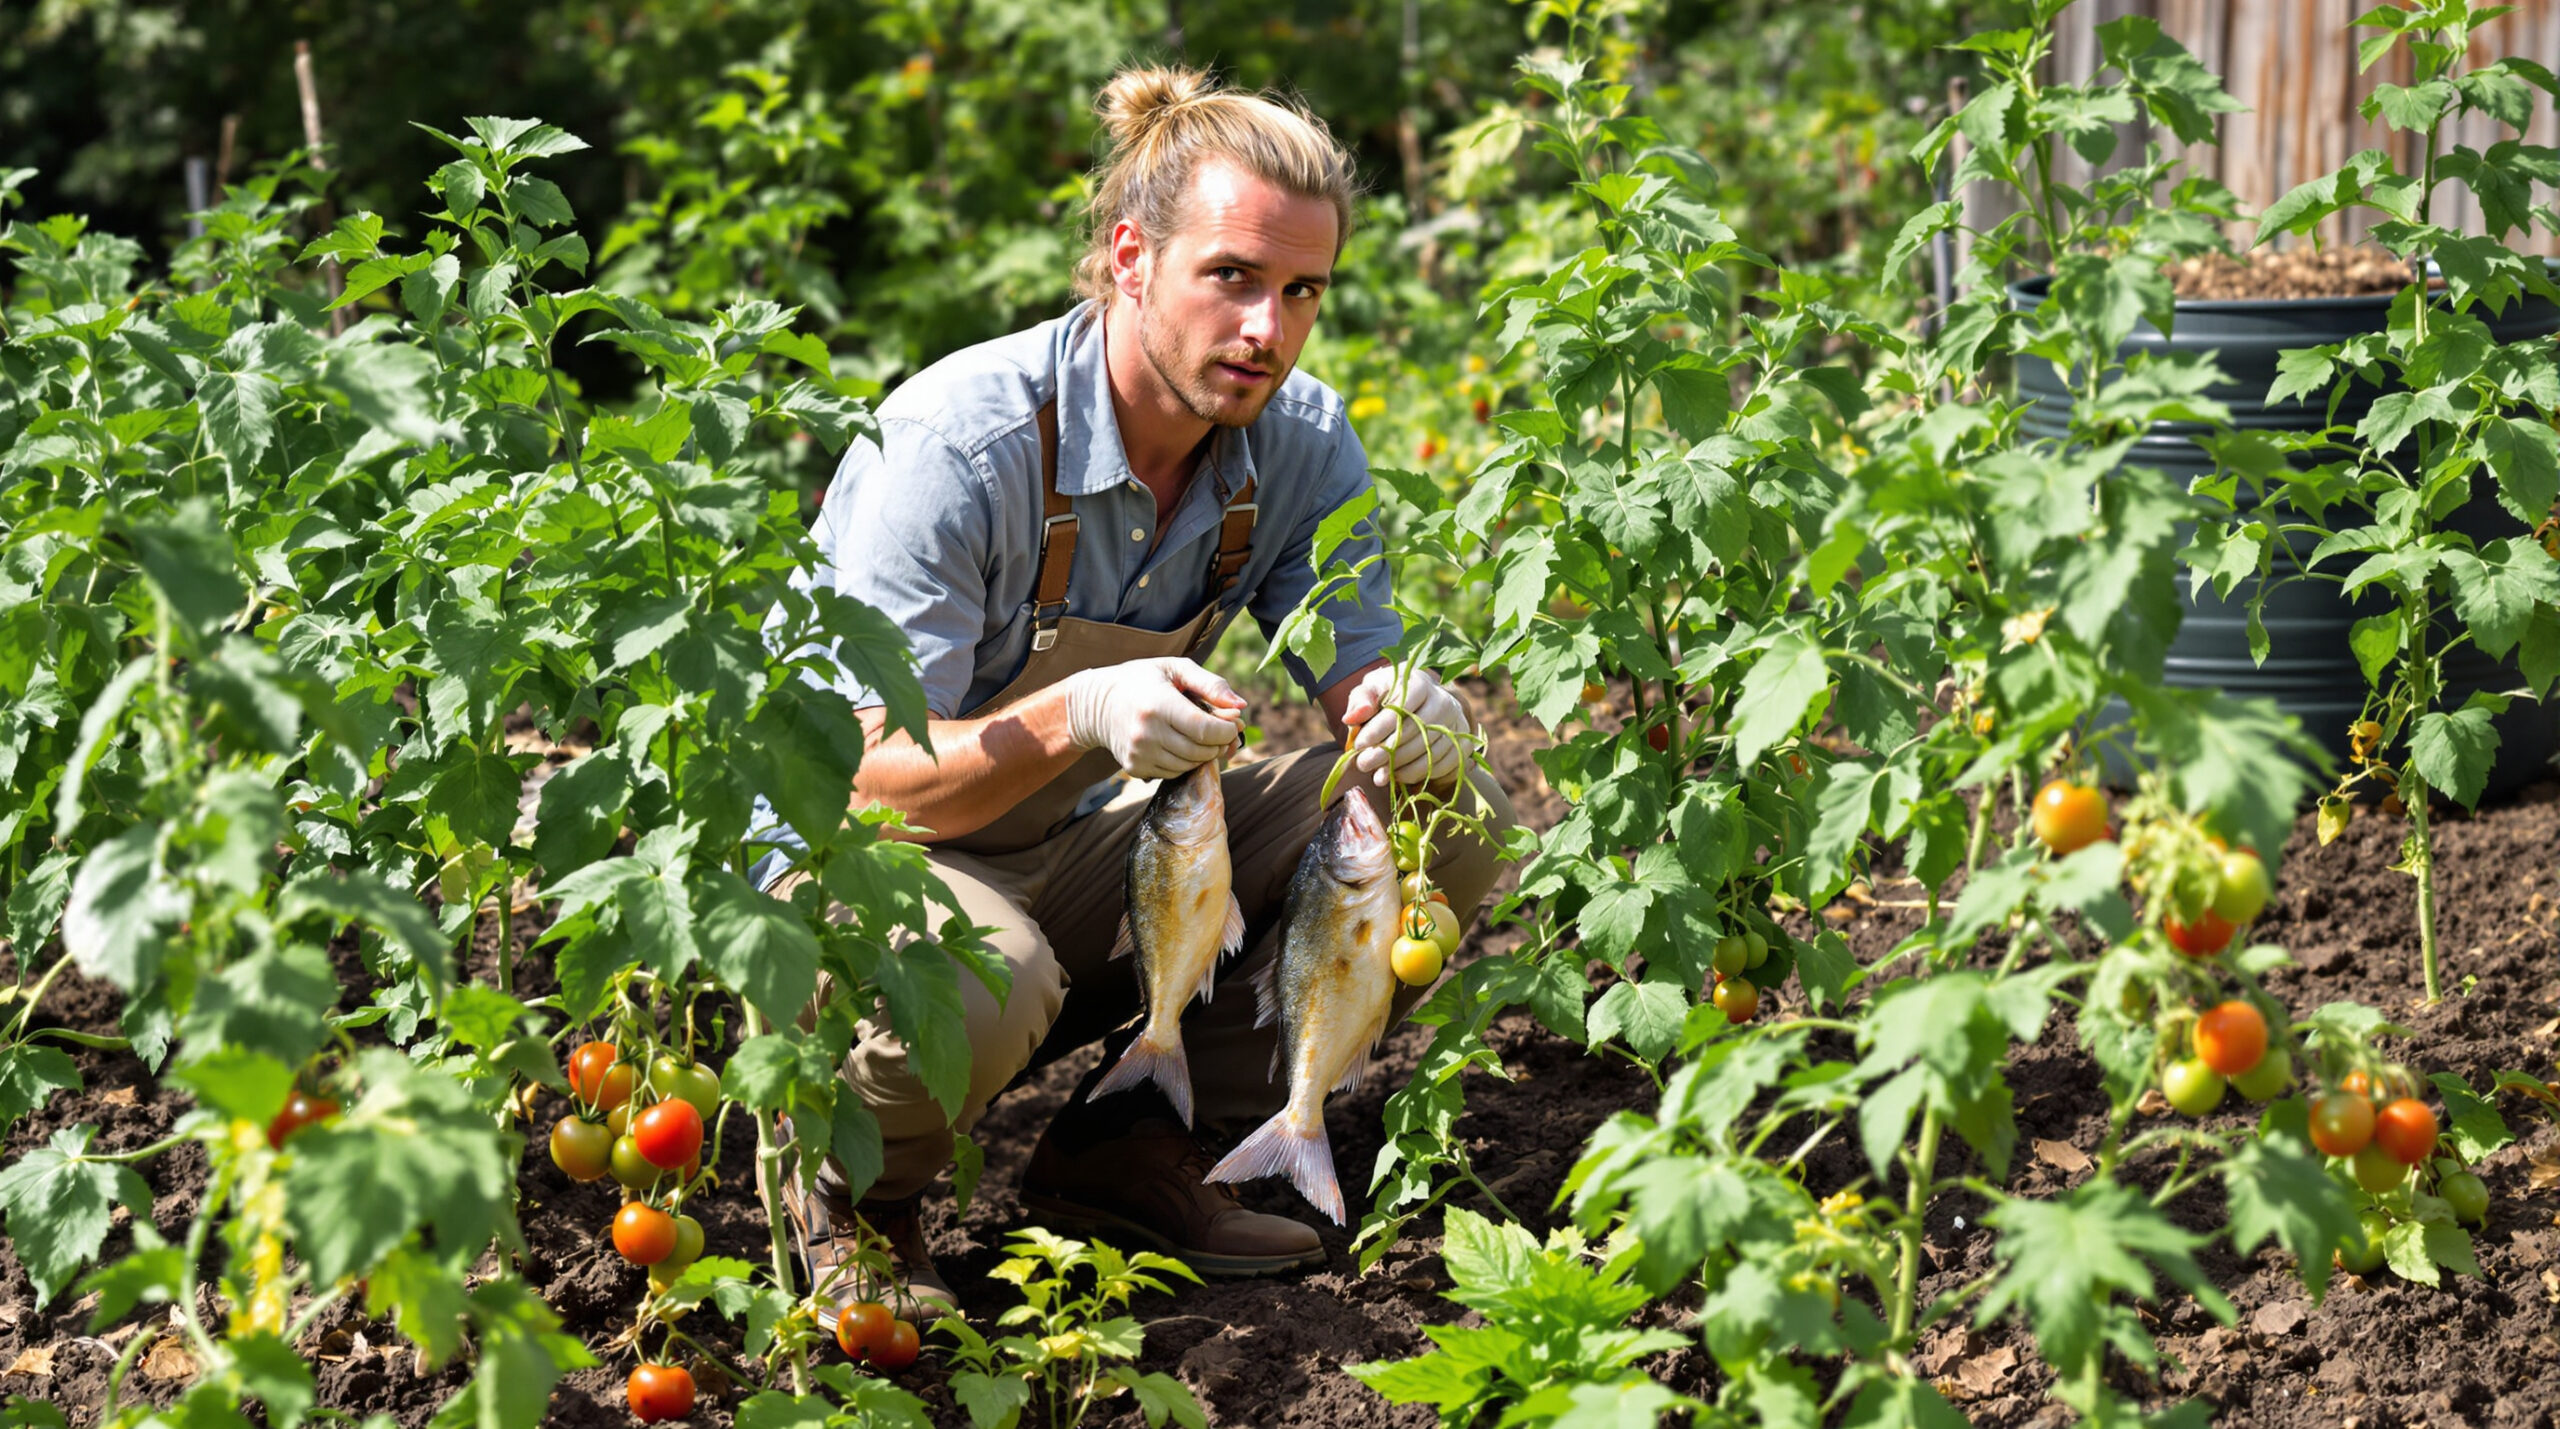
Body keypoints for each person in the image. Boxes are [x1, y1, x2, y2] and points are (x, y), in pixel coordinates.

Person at [761, 64, 1515, 1322]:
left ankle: (1140, 1143)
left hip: (1055, 843)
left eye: (1302, 291)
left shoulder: (1297, 440)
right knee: (985, 976)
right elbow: (861, 785)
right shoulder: (959, 448)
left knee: (1455, 810)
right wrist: (1079, 711)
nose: (1267, 329)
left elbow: (1356, 675)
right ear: (1130, 259)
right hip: (848, 873)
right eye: (1232, 276)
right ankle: (852, 1189)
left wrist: (1407, 711)